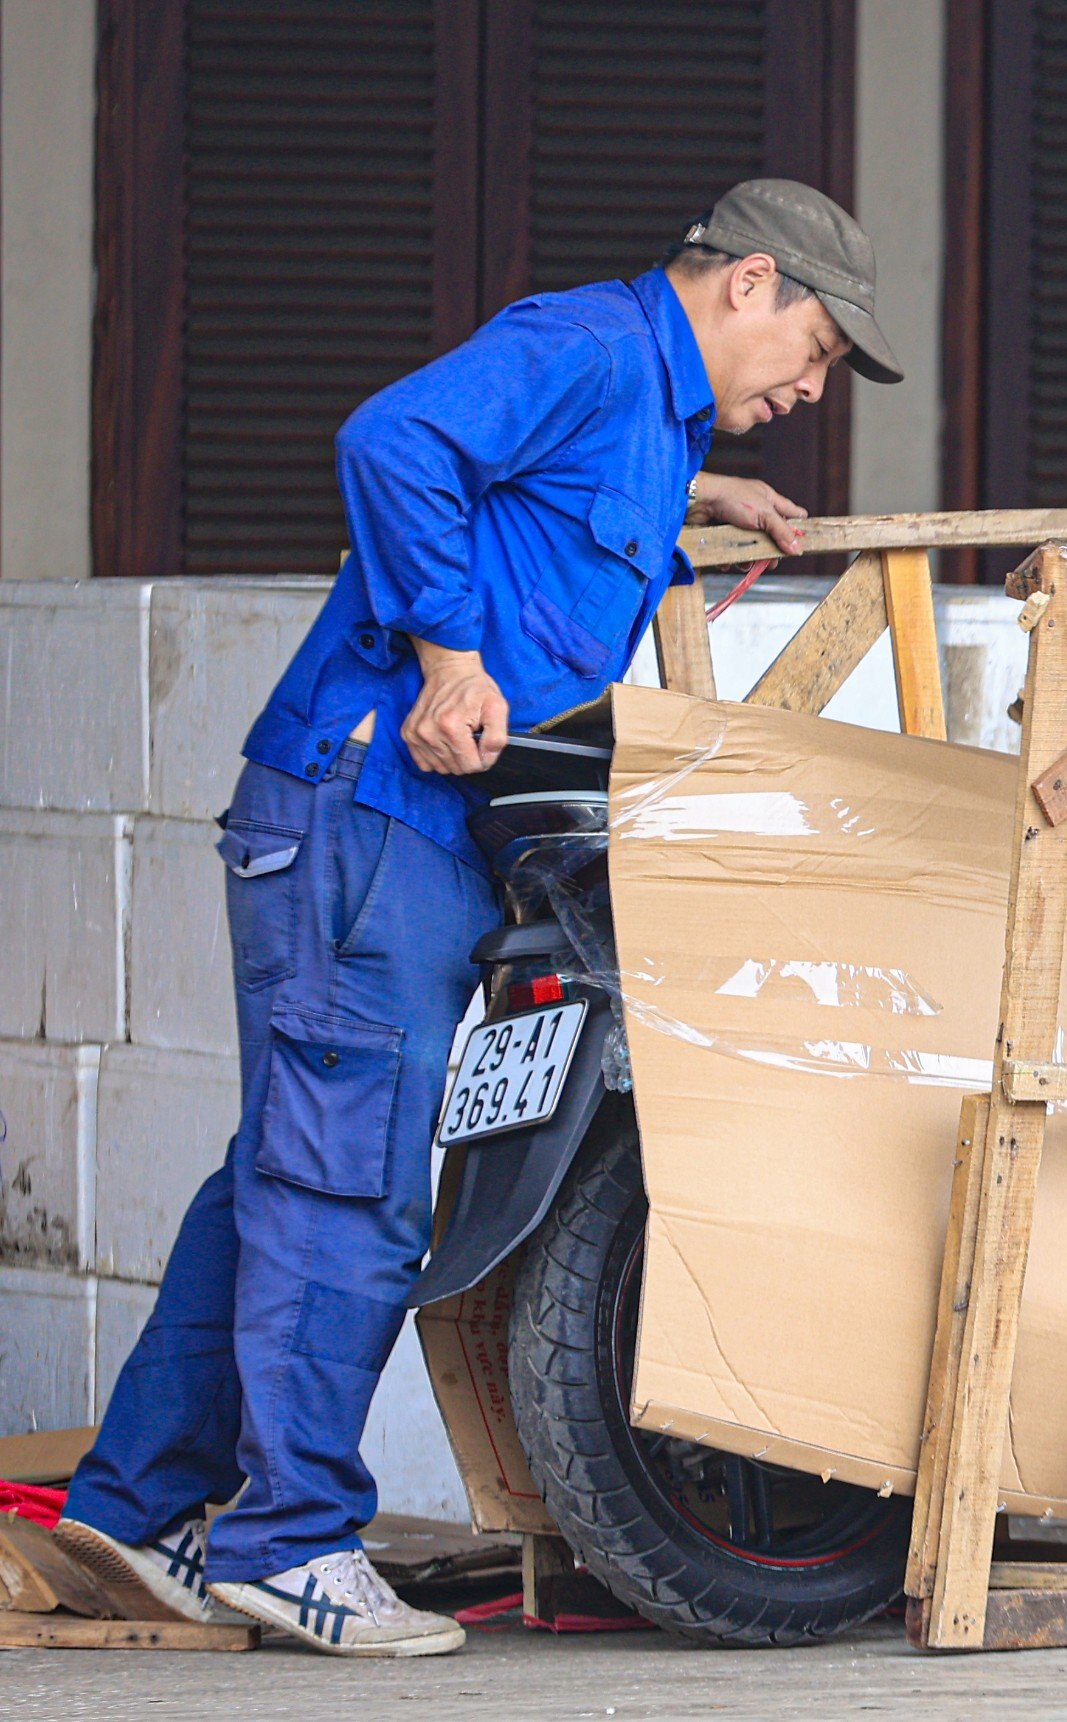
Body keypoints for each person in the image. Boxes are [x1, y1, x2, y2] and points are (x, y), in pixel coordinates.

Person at [52, 180, 902, 1656]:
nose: (813, 388)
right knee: (347, 1185)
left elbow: (553, 488)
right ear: (748, 282)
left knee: (280, 1170)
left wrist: (712, 500)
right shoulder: (583, 342)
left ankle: (133, 1515)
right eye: (817, 347)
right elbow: (392, 439)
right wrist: (450, 655)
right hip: (371, 807)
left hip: (426, 833)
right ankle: (291, 1539)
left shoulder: (652, 406)